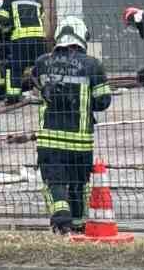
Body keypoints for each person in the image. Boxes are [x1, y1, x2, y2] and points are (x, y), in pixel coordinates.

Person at [25, 17, 111, 235]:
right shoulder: (93, 65)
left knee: (54, 182)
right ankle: (79, 224)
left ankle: (61, 221)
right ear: (83, 37)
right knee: (78, 184)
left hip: (50, 140)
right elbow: (103, 101)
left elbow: (31, 87)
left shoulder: (43, 62)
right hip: (81, 141)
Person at [0, 0, 47, 103]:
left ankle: (12, 97)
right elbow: (42, 17)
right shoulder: (37, 0)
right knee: (39, 66)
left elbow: (2, 19)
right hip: (39, 40)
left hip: (20, 39)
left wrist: (1, 30)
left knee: (15, 68)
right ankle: (43, 93)